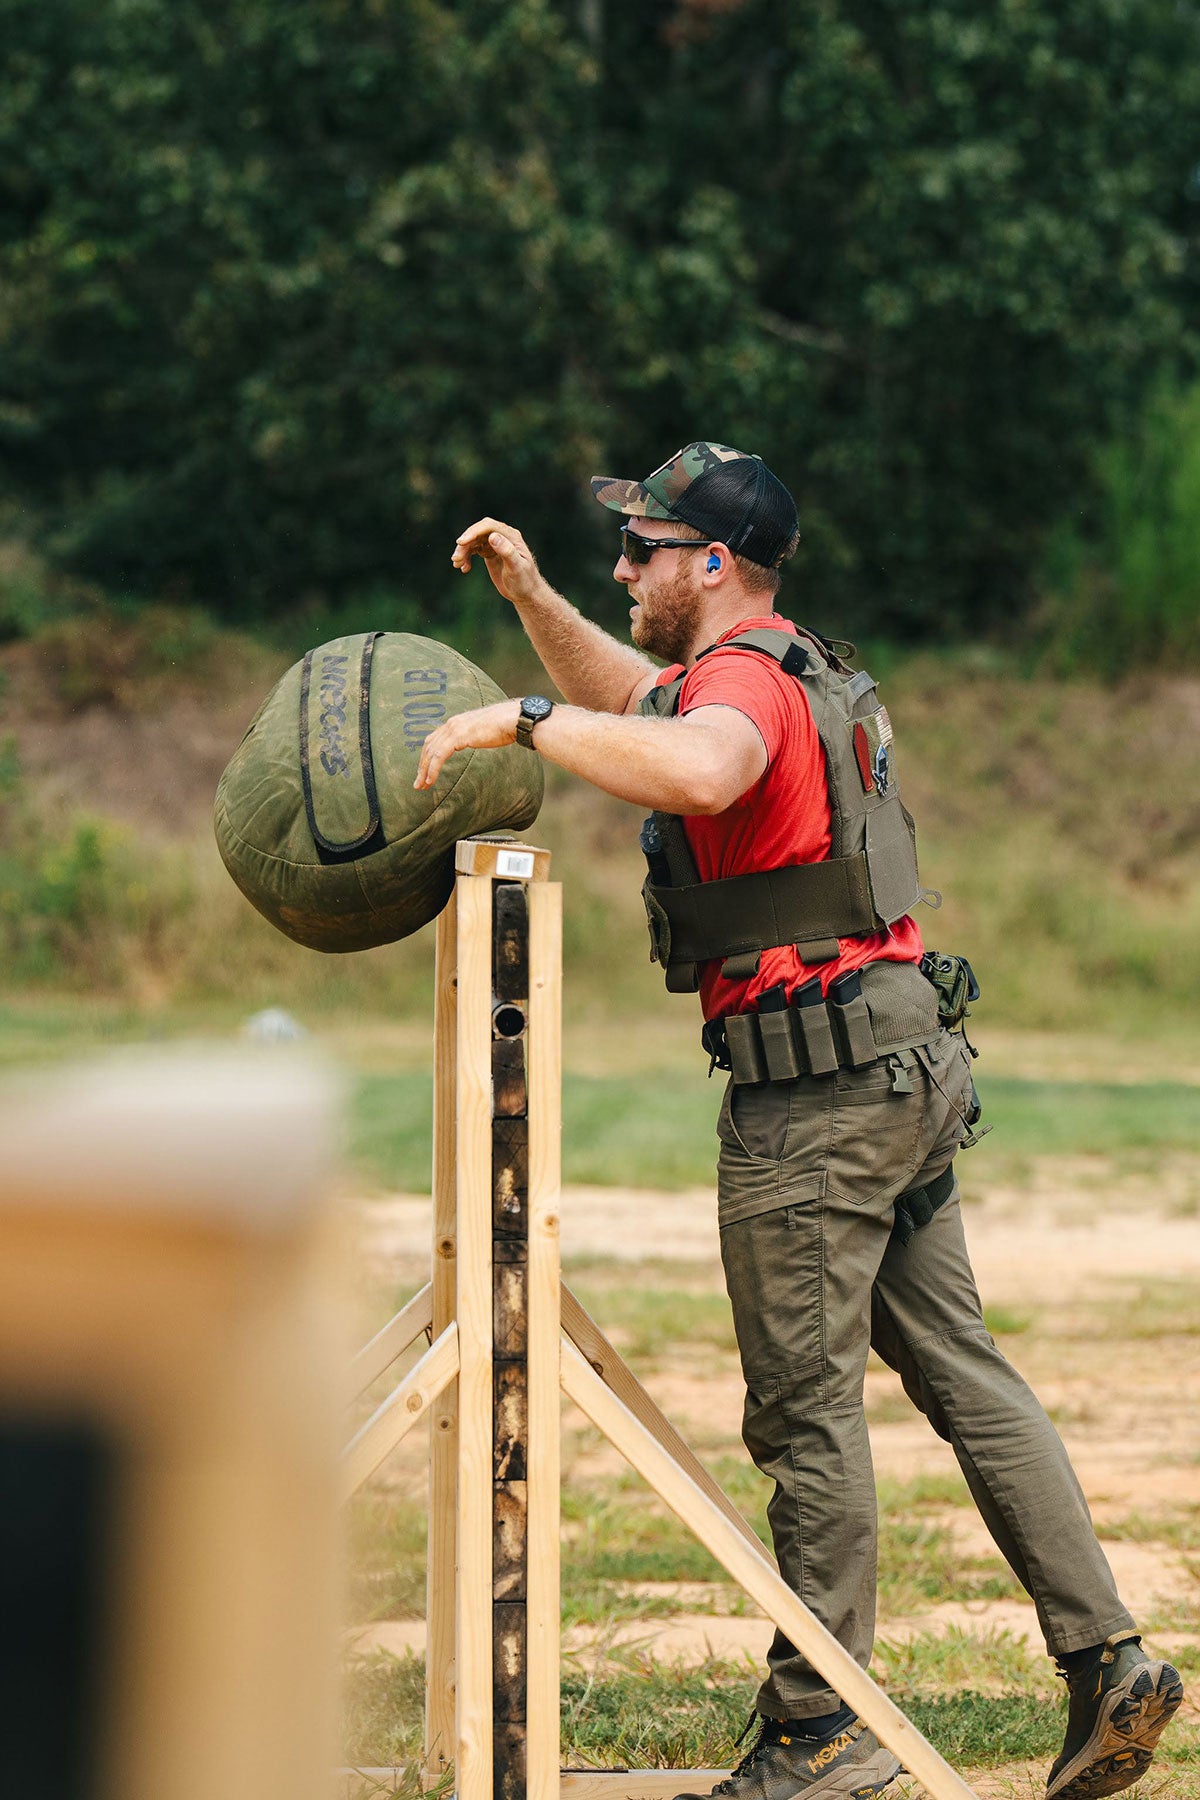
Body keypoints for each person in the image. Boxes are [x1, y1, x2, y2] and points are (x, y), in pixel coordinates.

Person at [414, 442, 1182, 1800]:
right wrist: (533, 599)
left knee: (805, 1418)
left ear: (710, 564)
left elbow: (699, 769)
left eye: (642, 550)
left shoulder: (744, 690)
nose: (624, 567)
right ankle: (1107, 1658)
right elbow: (649, 707)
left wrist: (522, 723)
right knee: (964, 1371)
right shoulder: (778, 661)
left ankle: (821, 1732)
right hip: (902, 1063)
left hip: (820, 1103)